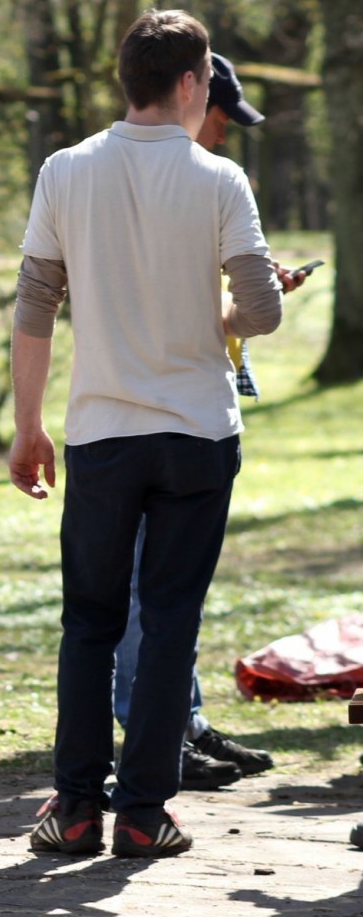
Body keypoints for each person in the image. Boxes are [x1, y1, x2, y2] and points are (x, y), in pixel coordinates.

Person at [13, 10, 283, 860]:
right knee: (169, 623)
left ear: (125, 79)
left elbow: (35, 303)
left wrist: (27, 425)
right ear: (193, 82)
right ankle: (143, 813)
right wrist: (220, 312)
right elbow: (262, 310)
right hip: (197, 433)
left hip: (101, 431)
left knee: (89, 623)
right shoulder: (220, 179)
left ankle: (74, 807)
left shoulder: (65, 170)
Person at [109, 53, 305, 790]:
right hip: (150, 416)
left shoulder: (205, 185)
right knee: (144, 589)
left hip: (189, 408)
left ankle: (181, 721)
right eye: (223, 118)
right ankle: (152, 735)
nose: (225, 134)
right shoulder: (155, 183)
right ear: (191, 97)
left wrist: (249, 286)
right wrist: (250, 300)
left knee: (172, 589)